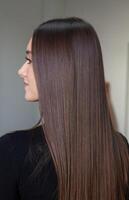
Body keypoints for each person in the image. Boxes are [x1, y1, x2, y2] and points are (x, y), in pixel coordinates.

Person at [0, 17, 129, 200]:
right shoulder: (120, 146)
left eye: (30, 60)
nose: (21, 71)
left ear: (59, 69)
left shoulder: (12, 150)